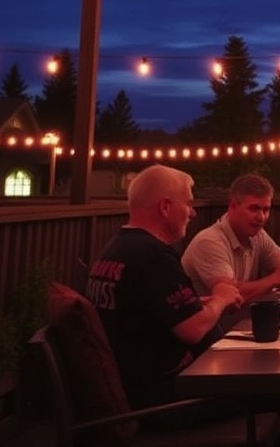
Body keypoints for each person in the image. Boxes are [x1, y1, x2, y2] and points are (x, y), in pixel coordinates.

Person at [86, 164, 242, 409]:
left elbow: (144, 311)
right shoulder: (154, 256)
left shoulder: (117, 248)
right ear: (165, 207)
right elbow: (192, 329)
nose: (192, 214)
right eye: (188, 204)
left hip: (140, 389)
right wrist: (220, 297)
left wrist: (202, 304)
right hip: (164, 399)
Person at [182, 173, 280, 302]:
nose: (261, 217)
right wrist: (276, 279)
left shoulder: (258, 236)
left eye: (266, 210)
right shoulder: (209, 241)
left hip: (246, 321)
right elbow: (231, 296)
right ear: (232, 206)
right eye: (254, 208)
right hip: (209, 322)